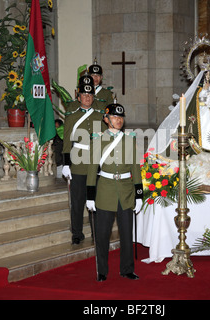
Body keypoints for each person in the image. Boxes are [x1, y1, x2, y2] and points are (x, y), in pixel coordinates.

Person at [86, 102, 143, 281]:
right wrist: (90, 197)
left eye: (120, 117)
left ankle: (127, 269)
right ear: (106, 119)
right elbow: (92, 168)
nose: (118, 120)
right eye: (115, 117)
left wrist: (139, 195)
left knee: (127, 234)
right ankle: (102, 270)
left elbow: (136, 168)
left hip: (126, 192)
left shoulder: (129, 139)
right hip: (105, 190)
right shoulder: (98, 139)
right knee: (102, 234)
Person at [62, 82, 106, 244]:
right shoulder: (72, 115)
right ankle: (77, 233)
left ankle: (97, 233)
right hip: (78, 163)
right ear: (78, 96)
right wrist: (66, 163)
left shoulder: (100, 115)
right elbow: (67, 140)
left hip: (96, 162)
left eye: (90, 95)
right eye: (84, 95)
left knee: (96, 199)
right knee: (78, 200)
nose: (87, 98)